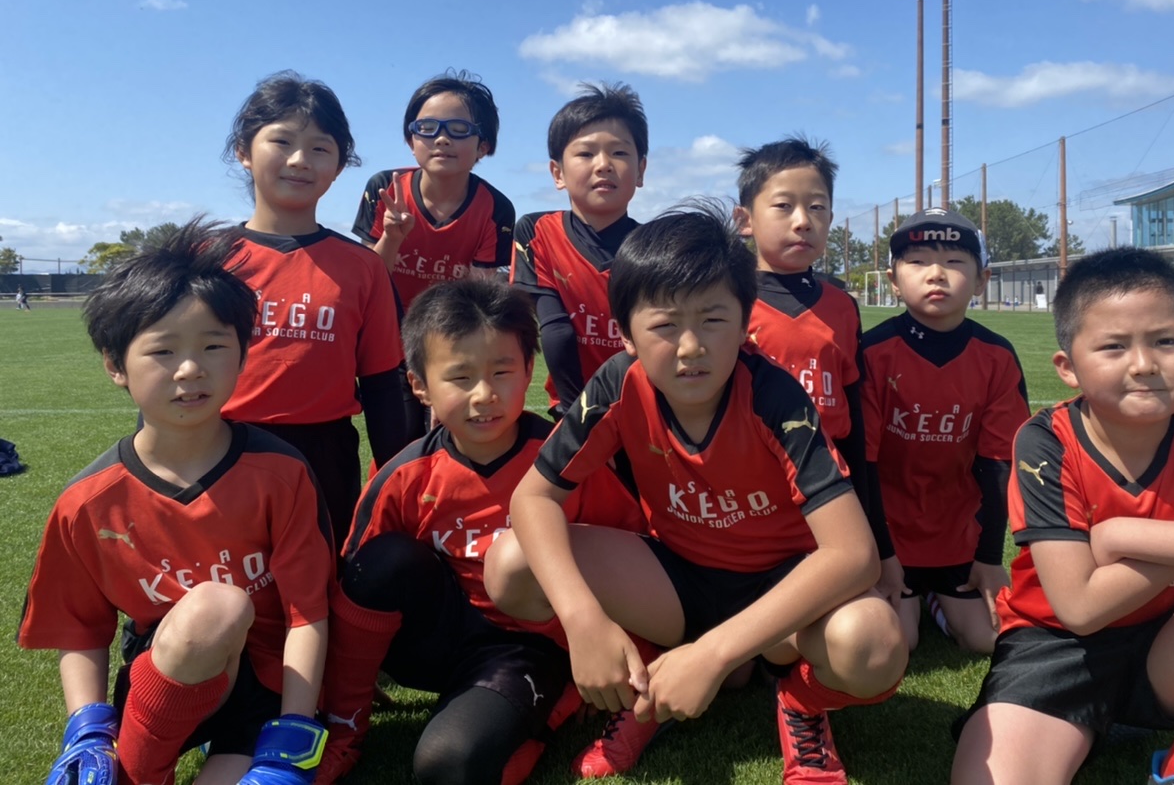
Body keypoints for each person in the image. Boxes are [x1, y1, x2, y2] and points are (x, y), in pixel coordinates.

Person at [487, 204, 906, 784]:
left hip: (781, 591)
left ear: (745, 323)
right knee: (510, 565)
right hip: (677, 582)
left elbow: (854, 555)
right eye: (664, 325)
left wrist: (715, 653)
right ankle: (645, 683)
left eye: (712, 319)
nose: (690, 346)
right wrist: (584, 621)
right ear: (626, 334)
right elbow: (532, 499)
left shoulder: (774, 396)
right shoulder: (618, 382)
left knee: (873, 641)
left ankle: (801, 703)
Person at [19, 220, 333, 785]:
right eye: (163, 350)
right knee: (214, 609)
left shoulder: (281, 472)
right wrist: (86, 729)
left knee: (225, 612)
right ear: (115, 365)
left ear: (243, 355)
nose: (191, 369)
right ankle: (142, 768)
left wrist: (292, 732)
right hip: (164, 675)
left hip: (264, 682)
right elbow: (79, 628)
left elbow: (307, 613)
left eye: (213, 346)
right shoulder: (88, 501)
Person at [951, 247, 1174, 785]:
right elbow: (1079, 607)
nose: (1144, 364)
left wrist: (1127, 534)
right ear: (1068, 367)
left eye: (1167, 341)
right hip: (1058, 648)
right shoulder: (1046, 441)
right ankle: (1090, 721)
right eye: (1113, 346)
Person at [315, 279, 642, 785]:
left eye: (501, 372)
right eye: (461, 377)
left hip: (526, 646)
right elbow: (359, 587)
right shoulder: (405, 475)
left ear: (529, 370)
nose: (485, 395)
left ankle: (542, 712)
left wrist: (606, 650)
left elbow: (631, 563)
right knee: (380, 561)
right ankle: (344, 731)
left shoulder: (569, 462)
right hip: (437, 639)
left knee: (448, 765)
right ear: (420, 385)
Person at [219, 71, 412, 543]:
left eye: (320, 148)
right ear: (244, 151)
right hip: (218, 448)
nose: (300, 160)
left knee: (321, 577)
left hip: (325, 457)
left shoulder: (363, 267)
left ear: (339, 166)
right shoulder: (207, 259)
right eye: (282, 141)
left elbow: (384, 387)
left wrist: (401, 478)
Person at [735, 137, 897, 613]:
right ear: (744, 219)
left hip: (827, 491)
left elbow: (854, 418)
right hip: (750, 491)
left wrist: (876, 538)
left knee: (884, 628)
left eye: (818, 207)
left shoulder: (842, 306)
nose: (803, 220)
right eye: (783, 206)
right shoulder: (727, 301)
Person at [862, 208, 1029, 654]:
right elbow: (863, 464)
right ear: (893, 281)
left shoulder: (996, 357)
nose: (936, 273)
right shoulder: (872, 353)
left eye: (954, 262)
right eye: (917, 262)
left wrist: (989, 557)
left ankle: (937, 598)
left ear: (981, 280)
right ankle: (918, 600)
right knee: (897, 640)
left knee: (988, 638)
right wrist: (882, 554)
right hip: (888, 534)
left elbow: (999, 463)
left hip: (958, 534)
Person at [510, 82, 647, 419]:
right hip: (571, 412)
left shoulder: (657, 247)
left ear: (641, 170)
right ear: (558, 173)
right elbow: (556, 330)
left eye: (619, 153)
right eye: (586, 154)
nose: (603, 164)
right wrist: (577, 421)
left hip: (647, 413)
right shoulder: (537, 232)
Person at [352, 70, 515, 308]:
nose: (441, 139)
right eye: (427, 127)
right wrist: (391, 238)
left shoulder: (496, 209)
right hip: (380, 318)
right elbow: (367, 282)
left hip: (448, 325)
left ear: (483, 147)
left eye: (459, 129)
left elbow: (476, 300)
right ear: (411, 141)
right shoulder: (384, 190)